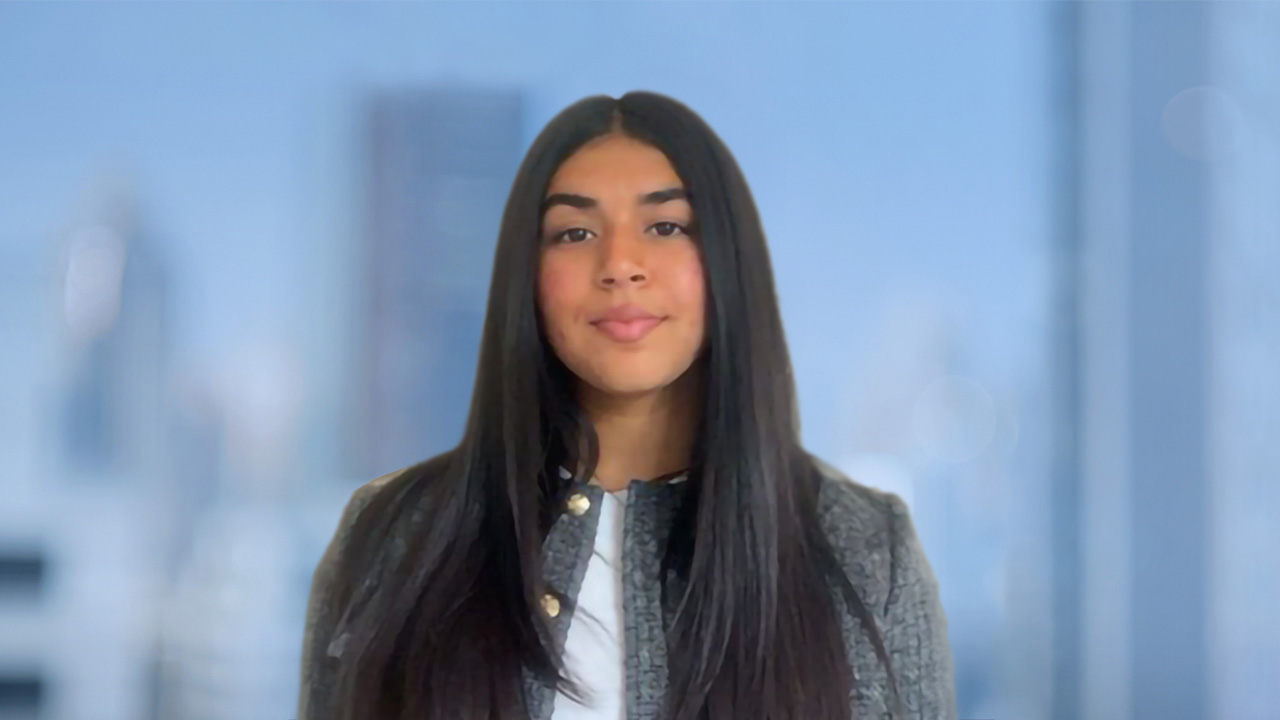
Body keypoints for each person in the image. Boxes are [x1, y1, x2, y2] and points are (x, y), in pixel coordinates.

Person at [296, 91, 956, 720]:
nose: (620, 264)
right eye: (575, 234)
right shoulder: (392, 533)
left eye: (665, 225)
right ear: (526, 278)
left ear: (727, 260)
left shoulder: (865, 548)